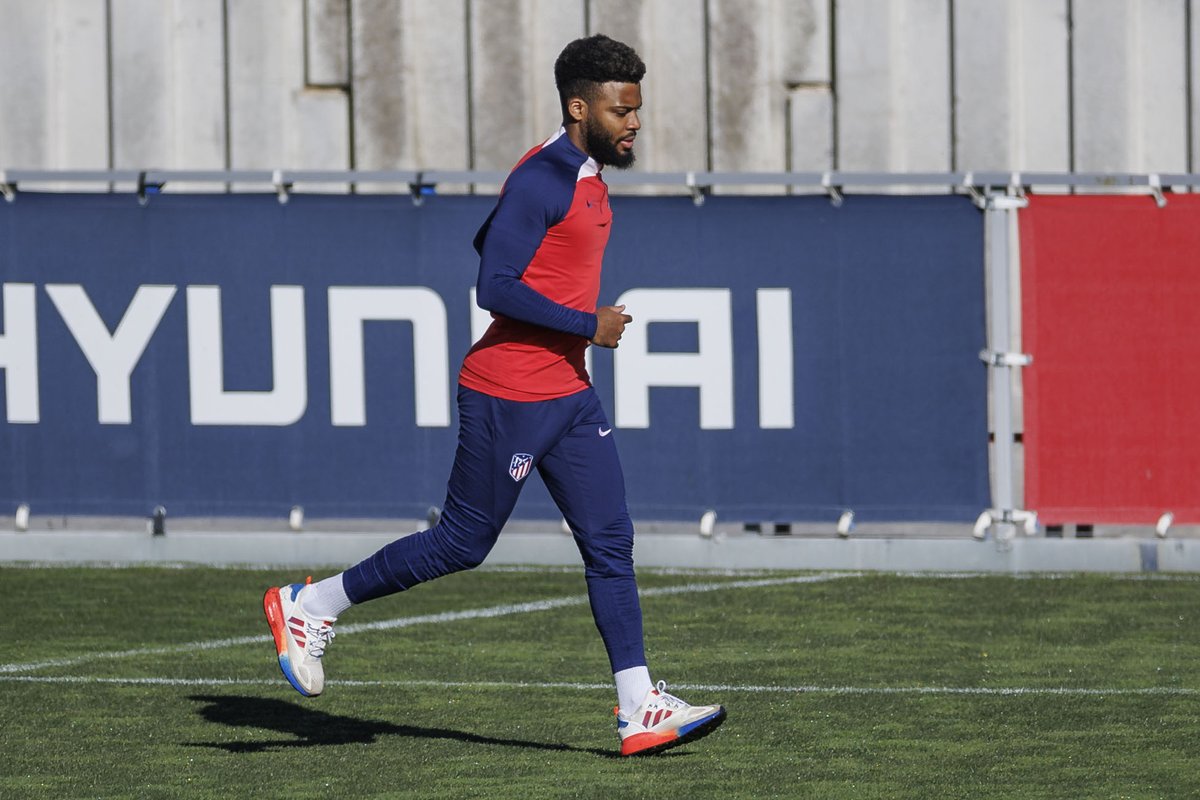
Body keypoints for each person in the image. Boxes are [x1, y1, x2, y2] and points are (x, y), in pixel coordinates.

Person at [263, 33, 725, 757]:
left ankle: (639, 705)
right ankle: (310, 605)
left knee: (611, 542)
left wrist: (574, 335)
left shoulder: (584, 174)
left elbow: (495, 244)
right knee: (462, 543)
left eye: (637, 107)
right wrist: (586, 323)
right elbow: (494, 285)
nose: (635, 121)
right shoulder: (544, 178)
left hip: (569, 394)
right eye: (620, 109)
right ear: (580, 107)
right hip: (508, 392)